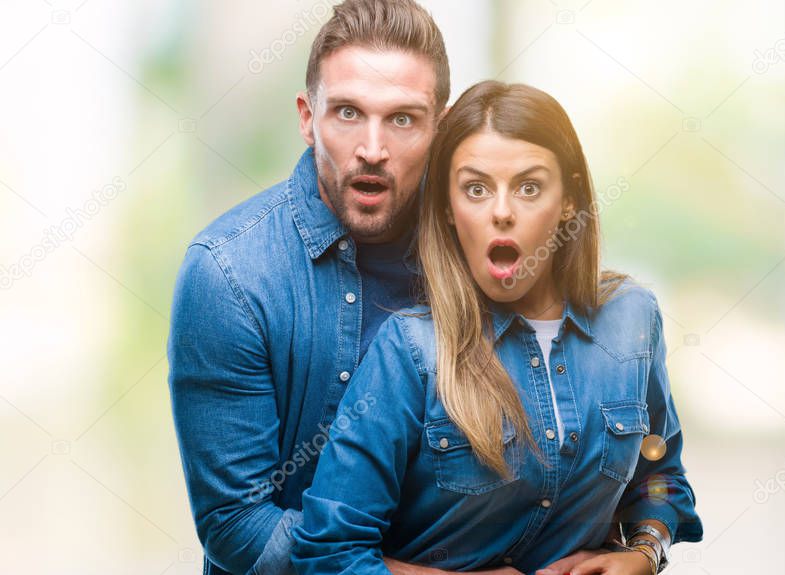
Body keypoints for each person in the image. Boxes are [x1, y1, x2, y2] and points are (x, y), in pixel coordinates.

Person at [169, 2, 584, 573]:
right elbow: (239, 529)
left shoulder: (490, 250)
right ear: (307, 118)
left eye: (403, 119)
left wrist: (645, 541)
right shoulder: (229, 274)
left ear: (441, 126)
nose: (372, 148)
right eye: (346, 112)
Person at [292, 80, 702, 575]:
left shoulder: (633, 319)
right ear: (447, 207)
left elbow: (659, 476)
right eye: (476, 189)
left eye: (529, 187)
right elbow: (327, 553)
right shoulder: (412, 350)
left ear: (569, 199)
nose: (502, 212)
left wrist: (645, 551)